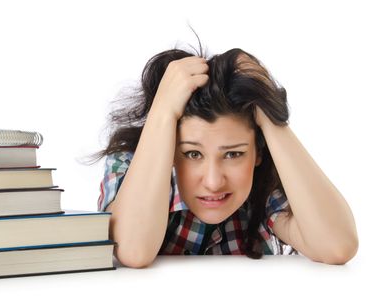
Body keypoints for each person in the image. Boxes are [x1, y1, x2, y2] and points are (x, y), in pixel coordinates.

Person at [95, 44, 358, 268]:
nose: (213, 182)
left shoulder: (261, 188)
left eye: (233, 154)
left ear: (258, 152)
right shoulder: (130, 162)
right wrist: (163, 111)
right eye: (192, 153)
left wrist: (269, 111)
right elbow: (132, 250)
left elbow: (337, 246)